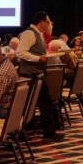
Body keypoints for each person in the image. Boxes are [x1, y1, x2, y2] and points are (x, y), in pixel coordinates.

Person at [17, 11, 64, 142]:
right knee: (31, 104)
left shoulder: (39, 34)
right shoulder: (29, 33)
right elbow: (20, 53)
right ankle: (46, 133)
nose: (49, 24)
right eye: (48, 21)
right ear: (41, 22)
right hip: (30, 74)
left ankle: (47, 133)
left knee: (40, 103)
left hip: (37, 74)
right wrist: (38, 58)